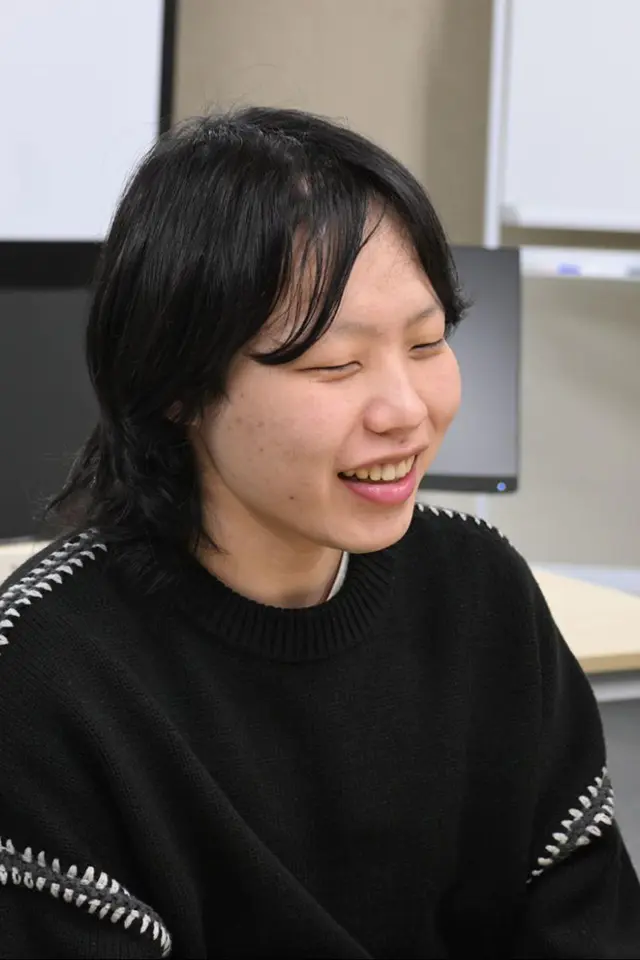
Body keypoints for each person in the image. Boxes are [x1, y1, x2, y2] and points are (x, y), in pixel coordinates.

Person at [0, 106, 639, 960]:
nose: (405, 411)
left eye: (427, 343)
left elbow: (589, 923)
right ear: (176, 385)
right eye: (335, 365)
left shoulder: (480, 590)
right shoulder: (47, 673)